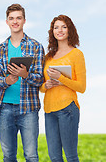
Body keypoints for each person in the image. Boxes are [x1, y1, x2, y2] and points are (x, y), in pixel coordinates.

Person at [0, 4, 45, 162]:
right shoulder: (0, 49)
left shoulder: (36, 46)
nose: (15, 21)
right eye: (11, 18)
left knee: (31, 155)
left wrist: (25, 74)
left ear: (24, 21)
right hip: (5, 109)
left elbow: (40, 79)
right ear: (7, 22)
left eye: (18, 18)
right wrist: (7, 81)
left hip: (28, 108)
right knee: (8, 156)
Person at [40, 15, 86, 162]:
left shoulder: (76, 54)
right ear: (52, 31)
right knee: (54, 157)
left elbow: (82, 87)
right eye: (56, 27)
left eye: (64, 27)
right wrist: (45, 86)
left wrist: (61, 78)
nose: (59, 30)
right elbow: (41, 87)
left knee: (71, 156)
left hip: (68, 109)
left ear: (70, 30)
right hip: (49, 111)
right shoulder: (47, 57)